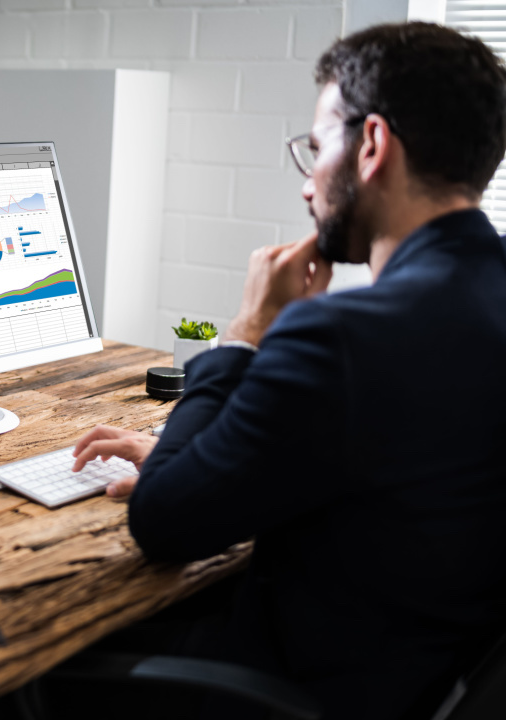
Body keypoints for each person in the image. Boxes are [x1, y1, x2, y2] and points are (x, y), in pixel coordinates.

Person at [70, 22, 506, 720]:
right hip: (424, 680)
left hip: (291, 689)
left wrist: (244, 332)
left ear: (370, 147)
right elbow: (389, 469)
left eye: (315, 147)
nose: (308, 189)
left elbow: (163, 521)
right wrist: (220, 451)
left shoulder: (343, 334)